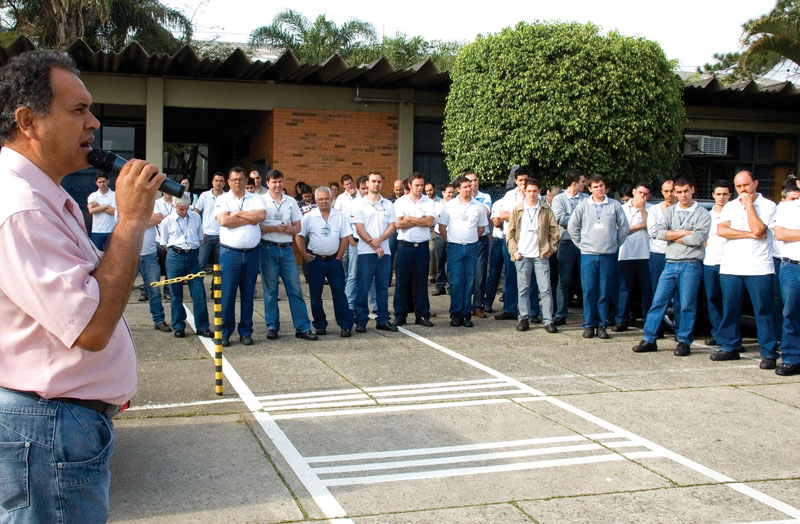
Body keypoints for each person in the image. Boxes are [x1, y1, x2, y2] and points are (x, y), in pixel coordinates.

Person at [0, 49, 165, 523]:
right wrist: (132, 220)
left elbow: (89, 289)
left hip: (57, 422)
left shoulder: (43, 194)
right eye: (78, 110)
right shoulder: (22, 207)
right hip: (49, 424)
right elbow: (92, 327)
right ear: (28, 121)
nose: (93, 123)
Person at [632, 178, 711, 356]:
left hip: (691, 263)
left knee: (687, 304)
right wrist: (685, 232)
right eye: (679, 192)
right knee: (658, 301)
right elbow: (656, 233)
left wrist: (671, 235)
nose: (682, 195)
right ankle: (649, 338)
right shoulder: (670, 211)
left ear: (692, 190)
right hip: (671, 263)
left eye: (685, 191)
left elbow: (698, 239)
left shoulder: (702, 214)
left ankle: (684, 341)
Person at [712, 171, 779, 367]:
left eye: (746, 185)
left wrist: (749, 206)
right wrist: (748, 234)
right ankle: (729, 346)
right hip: (731, 266)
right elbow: (722, 230)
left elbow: (759, 229)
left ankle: (768, 353)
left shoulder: (768, 205)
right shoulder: (730, 206)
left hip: (759, 267)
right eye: (739, 186)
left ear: (755, 184)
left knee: (763, 312)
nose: (743, 190)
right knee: (730, 309)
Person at [567, 173, 629, 339]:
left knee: (604, 292)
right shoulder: (583, 205)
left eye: (601, 186)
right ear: (589, 189)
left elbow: (624, 228)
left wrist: (615, 244)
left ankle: (602, 325)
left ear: (605, 187)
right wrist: (581, 244)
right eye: (595, 187)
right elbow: (572, 226)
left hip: (608, 255)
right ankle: (589, 324)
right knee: (588, 292)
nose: (599, 189)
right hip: (588, 255)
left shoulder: (614, 205)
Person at [259, 170, 317, 341]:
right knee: (270, 291)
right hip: (267, 248)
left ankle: (302, 327)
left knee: (295, 289)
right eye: (274, 182)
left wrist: (289, 229)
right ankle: (272, 326)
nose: (277, 185)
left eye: (280, 181)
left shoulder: (291, 201)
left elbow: (298, 227)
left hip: (286, 249)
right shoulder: (260, 201)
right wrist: (274, 228)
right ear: (267, 183)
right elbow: (258, 227)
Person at [215, 167, 267, 347]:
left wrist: (236, 214)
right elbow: (224, 221)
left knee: (248, 295)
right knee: (227, 295)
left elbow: (261, 216)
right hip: (231, 254)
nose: (238, 182)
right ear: (229, 182)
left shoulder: (256, 198)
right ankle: (224, 332)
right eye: (234, 179)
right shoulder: (223, 199)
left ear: (247, 181)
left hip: (252, 253)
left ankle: (246, 332)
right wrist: (249, 219)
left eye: (241, 179)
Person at [296, 186, 354, 337]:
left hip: (334, 261)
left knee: (340, 293)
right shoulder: (309, 216)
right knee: (315, 295)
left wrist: (339, 257)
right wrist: (304, 254)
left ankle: (345, 325)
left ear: (331, 199)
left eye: (326, 198)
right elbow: (299, 235)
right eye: (320, 199)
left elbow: (345, 237)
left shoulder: (339, 216)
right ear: (316, 201)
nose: (324, 201)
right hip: (315, 261)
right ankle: (320, 324)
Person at [506, 179, 560, 333]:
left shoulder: (545, 209)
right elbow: (510, 234)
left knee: (546, 289)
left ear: (539, 192)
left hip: (540, 254)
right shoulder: (517, 209)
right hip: (522, 255)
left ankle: (548, 320)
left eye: (534, 191)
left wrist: (550, 249)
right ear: (524, 191)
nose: (531, 194)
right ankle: (523, 317)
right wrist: (514, 251)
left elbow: (554, 232)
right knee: (523, 288)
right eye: (529, 191)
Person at [438, 175, 489, 327]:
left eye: (470, 186)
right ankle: (455, 313)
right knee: (456, 281)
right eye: (465, 187)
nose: (469, 189)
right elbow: (442, 227)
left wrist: (471, 238)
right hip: (454, 247)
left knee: (469, 281)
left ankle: (466, 314)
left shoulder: (478, 206)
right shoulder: (449, 206)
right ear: (458, 189)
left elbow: (481, 228)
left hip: (472, 247)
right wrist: (451, 240)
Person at [159, 195, 212, 338]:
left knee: (199, 292)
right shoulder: (167, 221)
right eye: (181, 209)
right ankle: (178, 326)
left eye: (186, 208)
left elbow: (200, 237)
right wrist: (177, 251)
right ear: (175, 207)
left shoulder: (195, 217)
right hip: (175, 255)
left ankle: (202, 326)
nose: (184, 211)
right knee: (176, 294)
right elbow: (164, 243)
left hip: (193, 256)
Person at [352, 171, 398, 332]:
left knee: (383, 288)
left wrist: (380, 241)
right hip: (366, 252)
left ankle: (383, 320)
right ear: (368, 183)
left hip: (384, 253)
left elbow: (392, 226)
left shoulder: (388, 205)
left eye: (379, 181)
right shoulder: (359, 205)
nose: (376, 184)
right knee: (363, 287)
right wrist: (375, 245)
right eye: (373, 181)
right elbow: (359, 228)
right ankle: (361, 320)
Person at [489, 167, 534, 321]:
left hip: (529, 241)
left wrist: (519, 210)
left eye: (525, 180)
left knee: (530, 277)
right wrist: (522, 212)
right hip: (512, 240)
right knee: (511, 275)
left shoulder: (533, 194)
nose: (523, 183)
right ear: (515, 181)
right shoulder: (509, 195)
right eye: (520, 180)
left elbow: (536, 214)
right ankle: (510, 308)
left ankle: (532, 311)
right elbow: (503, 215)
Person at [393, 172, 436, 327]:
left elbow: (430, 221)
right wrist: (420, 220)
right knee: (401, 282)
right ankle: (400, 315)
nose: (420, 188)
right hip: (405, 246)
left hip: (422, 247)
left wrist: (409, 218)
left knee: (421, 282)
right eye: (416, 185)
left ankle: (422, 315)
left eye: (421, 185)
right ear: (409, 186)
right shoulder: (400, 202)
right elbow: (398, 224)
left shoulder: (428, 202)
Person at [551, 170, 588, 325]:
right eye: (582, 181)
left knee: (585, 280)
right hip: (566, 242)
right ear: (574, 183)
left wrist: (574, 220)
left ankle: (589, 314)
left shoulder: (586, 198)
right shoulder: (559, 199)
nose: (585, 184)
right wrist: (580, 220)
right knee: (563, 280)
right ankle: (561, 313)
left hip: (585, 243)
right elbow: (559, 218)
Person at [615, 182, 652, 331]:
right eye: (640, 193)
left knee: (647, 289)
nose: (642, 197)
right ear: (634, 192)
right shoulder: (622, 209)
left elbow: (652, 226)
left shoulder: (651, 209)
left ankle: (647, 320)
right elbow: (620, 230)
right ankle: (621, 319)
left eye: (646, 194)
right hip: (626, 254)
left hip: (646, 254)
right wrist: (640, 225)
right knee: (624, 288)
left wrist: (642, 210)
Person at [772, 185, 800, 375]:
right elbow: (780, 234)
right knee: (790, 313)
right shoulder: (786, 208)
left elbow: (788, 233)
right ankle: (791, 358)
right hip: (792, 267)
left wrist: (794, 233)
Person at [702, 180, 733, 347]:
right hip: (710, 262)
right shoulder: (707, 215)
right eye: (718, 194)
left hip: (730, 263)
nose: (721, 197)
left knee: (729, 301)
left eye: (725, 194)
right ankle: (717, 333)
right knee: (712, 298)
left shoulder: (735, 212)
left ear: (730, 195)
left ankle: (731, 335)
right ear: (713, 195)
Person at [464, 169, 492, 318]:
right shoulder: (458, 200)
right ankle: (465, 305)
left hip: (481, 240)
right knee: (465, 274)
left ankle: (478, 305)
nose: (473, 184)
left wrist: (472, 202)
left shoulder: (484, 197)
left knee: (480, 274)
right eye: (470, 181)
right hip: (465, 239)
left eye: (475, 180)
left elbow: (486, 212)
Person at [140, 199, 170, 332]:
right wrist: (147, 219)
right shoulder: (125, 201)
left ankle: (159, 321)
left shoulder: (151, 201)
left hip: (150, 255)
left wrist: (137, 220)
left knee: (155, 291)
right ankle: (116, 325)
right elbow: (125, 224)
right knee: (121, 293)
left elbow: (158, 218)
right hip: (130, 256)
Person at [194, 171, 225, 271]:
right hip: (206, 234)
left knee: (220, 264)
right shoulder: (204, 195)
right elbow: (196, 212)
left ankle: (217, 286)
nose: (218, 183)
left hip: (222, 235)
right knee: (201, 263)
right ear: (212, 182)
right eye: (216, 180)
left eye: (221, 181)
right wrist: (199, 230)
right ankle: (198, 286)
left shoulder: (227, 197)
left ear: (224, 183)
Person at [432, 183, 454, 297]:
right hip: (439, 236)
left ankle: (451, 286)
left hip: (452, 236)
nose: (451, 194)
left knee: (450, 263)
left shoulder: (456, 205)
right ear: (443, 193)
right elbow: (434, 218)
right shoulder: (436, 204)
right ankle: (440, 286)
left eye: (452, 192)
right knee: (440, 262)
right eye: (448, 192)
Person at [87, 172, 117, 250]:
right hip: (97, 231)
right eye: (99, 182)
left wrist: (99, 207)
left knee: (111, 254)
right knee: (97, 256)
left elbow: (114, 212)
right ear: (96, 183)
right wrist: (106, 206)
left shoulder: (114, 195)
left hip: (112, 230)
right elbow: (91, 210)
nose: (102, 184)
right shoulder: (93, 196)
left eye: (104, 181)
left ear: (108, 181)